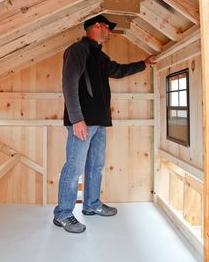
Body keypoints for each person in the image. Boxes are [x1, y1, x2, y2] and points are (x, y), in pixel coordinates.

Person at [53, 14, 156, 233]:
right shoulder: (78, 50)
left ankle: (91, 205)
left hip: (99, 122)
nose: (109, 32)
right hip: (82, 121)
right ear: (97, 26)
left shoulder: (99, 56)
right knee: (74, 168)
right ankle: (63, 214)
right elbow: (68, 83)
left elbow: (118, 70)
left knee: (95, 166)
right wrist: (76, 119)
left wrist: (144, 64)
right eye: (108, 29)